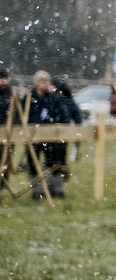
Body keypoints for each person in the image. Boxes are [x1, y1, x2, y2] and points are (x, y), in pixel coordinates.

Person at [26, 70, 80, 199]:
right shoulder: (29, 98)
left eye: (47, 81)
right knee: (33, 164)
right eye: (43, 81)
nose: (46, 84)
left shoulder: (54, 99)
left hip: (50, 137)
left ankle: (56, 189)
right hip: (32, 137)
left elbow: (63, 116)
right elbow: (24, 116)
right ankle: (36, 191)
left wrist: (56, 126)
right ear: (37, 83)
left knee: (53, 164)